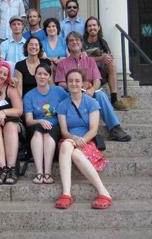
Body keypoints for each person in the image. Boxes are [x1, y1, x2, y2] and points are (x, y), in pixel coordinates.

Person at [55, 32, 131, 142]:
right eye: (71, 40)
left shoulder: (90, 61)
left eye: (77, 40)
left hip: (88, 95)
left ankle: (115, 128)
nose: (74, 42)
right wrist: (77, 87)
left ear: (81, 43)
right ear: (67, 44)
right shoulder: (63, 64)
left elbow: (97, 80)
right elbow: (61, 83)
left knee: (100, 94)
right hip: (71, 94)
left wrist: (92, 89)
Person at [55, 69, 111, 210]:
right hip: (69, 139)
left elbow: (93, 129)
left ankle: (103, 192)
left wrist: (82, 140)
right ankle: (66, 193)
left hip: (88, 141)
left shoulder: (91, 102)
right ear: (66, 83)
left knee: (75, 153)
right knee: (67, 146)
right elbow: (64, 131)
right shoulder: (62, 105)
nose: (74, 83)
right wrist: (73, 138)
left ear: (83, 83)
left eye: (77, 80)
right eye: (70, 81)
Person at [24, 63, 68, 184]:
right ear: (35, 76)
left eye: (45, 74)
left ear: (49, 77)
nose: (42, 77)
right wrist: (40, 120)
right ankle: (39, 173)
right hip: (36, 125)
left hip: (55, 126)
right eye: (39, 74)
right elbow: (28, 120)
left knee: (48, 134)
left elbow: (69, 104)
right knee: (38, 133)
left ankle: (47, 173)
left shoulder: (59, 91)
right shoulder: (29, 96)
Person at [83, 16, 128, 111]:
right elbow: (82, 59)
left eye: (94, 25)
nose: (92, 28)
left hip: (101, 73)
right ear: (87, 29)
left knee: (111, 63)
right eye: (89, 26)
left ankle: (114, 99)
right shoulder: (82, 42)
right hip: (87, 74)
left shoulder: (103, 42)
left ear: (99, 27)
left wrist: (108, 57)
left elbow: (107, 56)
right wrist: (101, 58)